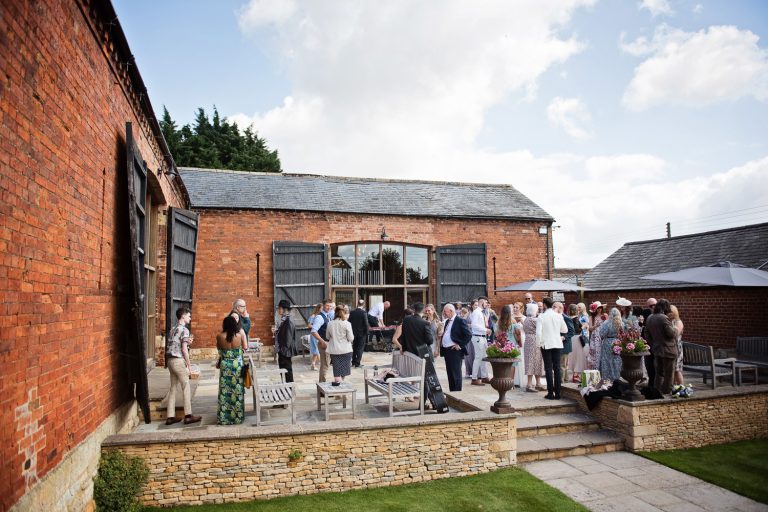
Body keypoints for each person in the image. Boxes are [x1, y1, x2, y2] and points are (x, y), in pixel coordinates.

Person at [165, 307, 201, 425]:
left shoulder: (173, 329)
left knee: (173, 388)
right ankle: (188, 415)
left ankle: (170, 417)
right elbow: (184, 350)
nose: (190, 318)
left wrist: (187, 342)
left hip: (170, 360)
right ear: (183, 316)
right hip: (178, 360)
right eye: (189, 316)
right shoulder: (184, 330)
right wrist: (189, 366)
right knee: (186, 386)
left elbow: (176, 343)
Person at [216, 315, 247, 424]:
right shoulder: (239, 335)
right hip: (237, 365)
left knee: (225, 391)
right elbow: (244, 348)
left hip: (225, 366)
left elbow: (219, 350)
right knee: (237, 390)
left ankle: (225, 418)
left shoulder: (219, 336)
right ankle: (238, 417)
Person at [645, 299, 679, 395]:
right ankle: (667, 394)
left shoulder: (650, 317)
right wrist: (675, 328)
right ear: (665, 308)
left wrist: (653, 344)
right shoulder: (664, 318)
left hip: (657, 350)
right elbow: (671, 334)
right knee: (669, 375)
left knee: (658, 374)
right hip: (668, 350)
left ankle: (657, 392)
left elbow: (646, 333)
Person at [536, 298, 568, 399]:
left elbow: (538, 333)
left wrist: (538, 344)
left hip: (546, 344)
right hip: (557, 343)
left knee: (549, 368)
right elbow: (565, 329)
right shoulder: (559, 315)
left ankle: (550, 393)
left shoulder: (542, 316)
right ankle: (558, 393)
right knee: (557, 368)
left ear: (544, 305)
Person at [440, 303, 472, 392]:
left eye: (445, 311)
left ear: (451, 311)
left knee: (456, 374)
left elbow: (468, 335)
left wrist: (460, 345)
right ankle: (452, 394)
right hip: (447, 351)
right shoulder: (447, 321)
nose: (443, 313)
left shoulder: (460, 320)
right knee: (450, 374)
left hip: (455, 351)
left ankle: (457, 393)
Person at [326, 305, 355, 386]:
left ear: (335, 313)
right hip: (346, 350)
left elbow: (327, 337)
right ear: (344, 313)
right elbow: (351, 338)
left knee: (337, 369)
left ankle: (338, 386)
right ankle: (341, 386)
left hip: (334, 350)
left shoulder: (330, 323)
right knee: (344, 370)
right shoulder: (347, 323)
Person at [496, 305, 522, 386]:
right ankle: (511, 383)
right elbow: (518, 333)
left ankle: (505, 381)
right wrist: (518, 339)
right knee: (512, 365)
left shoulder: (499, 322)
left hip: (503, 344)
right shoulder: (513, 321)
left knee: (504, 364)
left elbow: (497, 335)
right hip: (512, 344)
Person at [310, 299, 334, 382]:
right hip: (324, 344)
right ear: (323, 305)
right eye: (327, 305)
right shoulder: (320, 317)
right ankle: (322, 389)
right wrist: (322, 341)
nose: (329, 307)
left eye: (330, 306)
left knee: (325, 365)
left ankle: (322, 387)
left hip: (327, 343)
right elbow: (313, 331)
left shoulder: (328, 316)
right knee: (324, 366)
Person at [523, 303, 545, 392]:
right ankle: (530, 384)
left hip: (528, 340)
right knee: (535, 361)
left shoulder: (526, 319)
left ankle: (536, 383)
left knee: (531, 361)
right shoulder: (534, 320)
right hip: (535, 340)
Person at [275, 299, 298, 382]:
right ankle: (286, 387)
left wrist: (283, 350)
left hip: (285, 350)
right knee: (283, 370)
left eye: (279, 308)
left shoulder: (288, 320)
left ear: (284, 309)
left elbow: (288, 337)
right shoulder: (284, 319)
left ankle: (289, 390)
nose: (278, 310)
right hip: (283, 349)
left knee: (287, 371)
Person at [469, 298, 491, 386]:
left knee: (484, 357)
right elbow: (474, 325)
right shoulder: (476, 312)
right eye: (486, 302)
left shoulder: (481, 312)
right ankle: (474, 378)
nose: (487, 304)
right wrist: (486, 329)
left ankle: (484, 376)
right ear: (481, 302)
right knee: (478, 357)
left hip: (482, 337)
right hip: (478, 337)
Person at [599, 308, 624, 383]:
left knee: (606, 360)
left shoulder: (607, 323)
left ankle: (607, 378)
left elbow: (602, 334)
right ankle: (616, 377)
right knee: (616, 360)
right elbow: (623, 334)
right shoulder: (621, 323)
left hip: (608, 342)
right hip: (617, 342)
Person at [567, 303, 589, 381]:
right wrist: (583, 326)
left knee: (573, 356)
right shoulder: (575, 318)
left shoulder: (567, 318)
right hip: (577, 338)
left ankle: (574, 375)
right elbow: (577, 330)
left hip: (571, 339)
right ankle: (576, 375)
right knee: (578, 357)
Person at [348, 299, 370, 368]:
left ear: (357, 304)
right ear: (363, 305)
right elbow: (366, 324)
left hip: (353, 333)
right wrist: (367, 333)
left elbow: (349, 322)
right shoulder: (364, 313)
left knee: (354, 347)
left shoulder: (352, 312)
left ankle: (353, 362)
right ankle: (357, 363)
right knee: (360, 348)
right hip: (362, 334)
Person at [641, 297, 658, 385]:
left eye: (654, 305)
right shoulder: (646, 314)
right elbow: (643, 331)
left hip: (658, 346)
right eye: (650, 306)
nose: (653, 307)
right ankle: (651, 384)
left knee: (657, 367)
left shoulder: (661, 315)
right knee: (649, 366)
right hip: (648, 345)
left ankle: (657, 385)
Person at [587, 301, 607, 371]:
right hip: (594, 336)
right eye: (597, 308)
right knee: (594, 353)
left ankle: (602, 370)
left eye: (600, 308)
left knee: (602, 353)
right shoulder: (591, 317)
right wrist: (596, 326)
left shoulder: (605, 316)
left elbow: (608, 326)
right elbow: (590, 329)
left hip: (603, 336)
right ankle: (594, 369)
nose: (599, 309)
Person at [669, 304, 685, 385]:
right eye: (668, 312)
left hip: (677, 348)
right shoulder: (670, 321)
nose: (669, 314)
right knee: (672, 370)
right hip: (671, 348)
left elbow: (675, 335)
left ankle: (681, 387)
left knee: (677, 369)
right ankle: (674, 387)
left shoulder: (678, 322)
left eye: (671, 312)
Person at [560, 303, 575, 383]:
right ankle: (565, 381)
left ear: (561, 308)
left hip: (565, 344)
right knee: (563, 365)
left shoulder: (566, 318)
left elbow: (572, 331)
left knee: (562, 365)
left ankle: (561, 383)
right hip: (558, 344)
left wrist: (564, 337)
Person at [306, 303, 322, 371]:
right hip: (314, 334)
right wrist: (316, 326)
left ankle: (313, 364)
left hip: (318, 334)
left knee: (316, 350)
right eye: (321, 308)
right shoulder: (313, 316)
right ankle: (322, 364)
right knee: (317, 349)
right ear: (318, 308)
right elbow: (309, 325)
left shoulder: (321, 316)